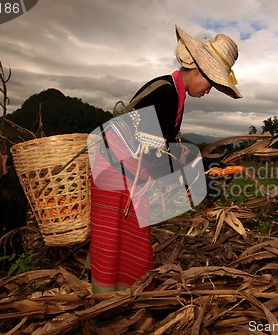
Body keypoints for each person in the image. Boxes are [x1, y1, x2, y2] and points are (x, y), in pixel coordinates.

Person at [88, 25, 242, 294]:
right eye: (211, 82)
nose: (210, 91)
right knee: (123, 243)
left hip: (121, 173)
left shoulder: (173, 93)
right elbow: (154, 156)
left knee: (119, 243)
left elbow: (166, 147)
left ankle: (113, 298)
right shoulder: (166, 92)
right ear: (197, 70)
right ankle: (115, 303)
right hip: (118, 174)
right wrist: (198, 175)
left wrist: (204, 167)